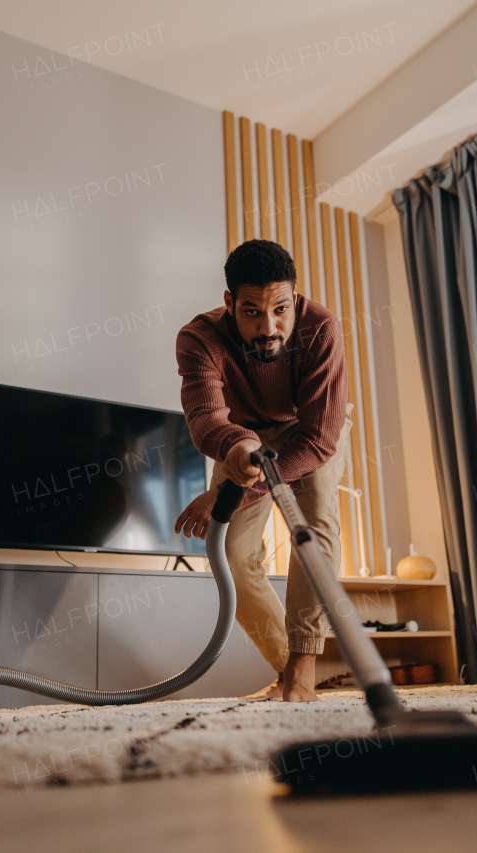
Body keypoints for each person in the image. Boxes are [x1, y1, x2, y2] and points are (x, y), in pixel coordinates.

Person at [174, 239, 350, 702]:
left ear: (295, 298)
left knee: (314, 529)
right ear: (230, 303)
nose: (269, 327)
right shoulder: (199, 339)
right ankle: (289, 670)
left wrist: (231, 495)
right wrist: (238, 453)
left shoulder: (322, 329)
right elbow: (205, 416)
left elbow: (319, 440)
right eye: (252, 312)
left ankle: (303, 669)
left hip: (309, 428)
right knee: (230, 553)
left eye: (281, 309)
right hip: (242, 434)